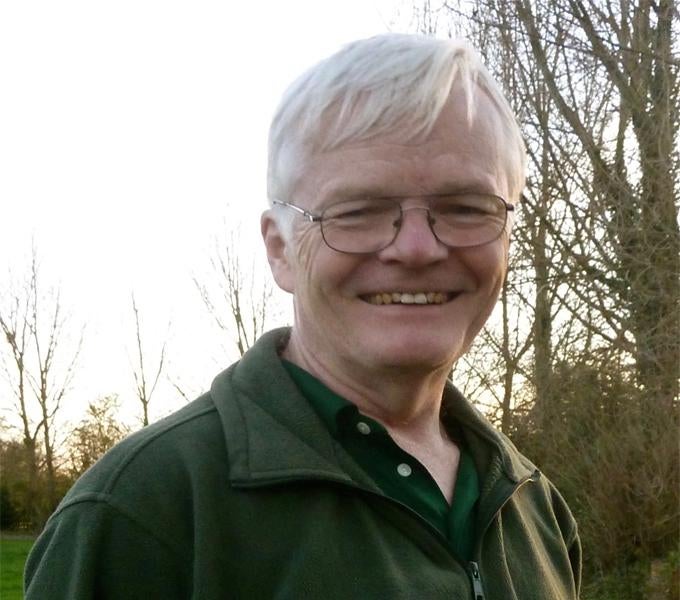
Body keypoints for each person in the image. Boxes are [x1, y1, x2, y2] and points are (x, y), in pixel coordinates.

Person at [25, 34, 581, 599]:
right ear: (279, 249)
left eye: (465, 207)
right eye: (358, 211)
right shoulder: (146, 512)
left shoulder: (534, 509)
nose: (416, 249)